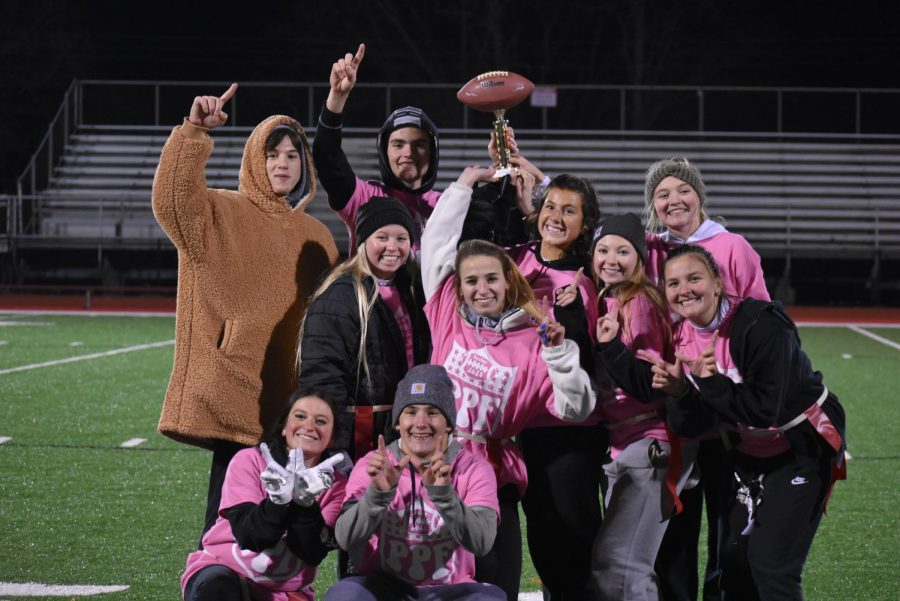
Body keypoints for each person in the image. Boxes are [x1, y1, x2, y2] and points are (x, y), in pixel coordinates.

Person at [152, 84, 339, 539]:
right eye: (272, 153)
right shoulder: (220, 210)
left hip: (292, 402)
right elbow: (172, 201)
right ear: (255, 157)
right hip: (233, 388)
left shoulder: (318, 234)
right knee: (226, 528)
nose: (282, 163)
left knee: (287, 533)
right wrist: (194, 132)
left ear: (304, 165)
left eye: (293, 155)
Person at [421, 166, 597, 601]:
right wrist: (462, 186)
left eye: (492, 279)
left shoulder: (533, 341)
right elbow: (437, 245)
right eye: (472, 281)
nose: (481, 289)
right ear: (458, 288)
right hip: (434, 463)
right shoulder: (446, 311)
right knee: (429, 576)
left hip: (495, 477)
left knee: (497, 584)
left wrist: (559, 354)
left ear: (510, 281)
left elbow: (576, 408)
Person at [635, 244, 845, 601]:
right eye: (673, 283)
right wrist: (680, 391)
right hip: (748, 454)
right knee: (733, 561)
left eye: (694, 278)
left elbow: (768, 409)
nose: (684, 289)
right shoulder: (681, 337)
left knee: (771, 563)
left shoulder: (762, 323)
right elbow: (693, 424)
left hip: (801, 448)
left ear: (718, 283)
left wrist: (712, 383)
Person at [641, 157, 770, 601]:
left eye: (682, 190)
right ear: (653, 205)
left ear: (699, 195)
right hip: (676, 410)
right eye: (662, 194)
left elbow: (763, 322)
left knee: (728, 534)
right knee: (673, 536)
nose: (674, 199)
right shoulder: (650, 248)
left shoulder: (732, 246)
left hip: (729, 415)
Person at [324, 364, 506, 601]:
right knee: (343, 597)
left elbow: (482, 543)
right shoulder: (375, 464)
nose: (421, 423)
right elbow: (345, 538)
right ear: (398, 422)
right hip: (382, 587)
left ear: (448, 423)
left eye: (432, 412)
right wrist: (378, 495)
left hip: (450, 590)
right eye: (411, 412)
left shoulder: (473, 468)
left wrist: (445, 496)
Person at [586, 213, 695, 601]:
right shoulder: (609, 297)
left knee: (621, 564)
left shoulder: (640, 301)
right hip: (626, 441)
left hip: (648, 442)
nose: (610, 258)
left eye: (623, 250)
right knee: (623, 562)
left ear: (640, 257)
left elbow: (649, 383)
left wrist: (611, 347)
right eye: (602, 249)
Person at [182, 387, 348, 601]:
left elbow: (312, 552)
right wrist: (278, 502)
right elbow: (249, 537)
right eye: (300, 416)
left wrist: (304, 504)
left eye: (321, 421)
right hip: (224, 571)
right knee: (218, 589)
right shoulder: (249, 460)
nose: (308, 426)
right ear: (284, 427)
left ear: (332, 438)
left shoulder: (337, 485)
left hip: (285, 590)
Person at [298, 197, 430, 463]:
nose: (392, 247)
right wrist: (334, 445)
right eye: (382, 237)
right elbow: (322, 379)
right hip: (360, 437)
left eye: (401, 239)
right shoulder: (341, 295)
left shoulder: (412, 289)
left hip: (401, 429)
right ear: (363, 241)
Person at [313, 43, 440, 253]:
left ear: (432, 153)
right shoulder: (365, 198)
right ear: (385, 152)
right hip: (368, 288)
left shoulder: (447, 206)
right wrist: (337, 97)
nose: (408, 153)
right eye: (398, 144)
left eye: (419, 145)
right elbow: (327, 157)